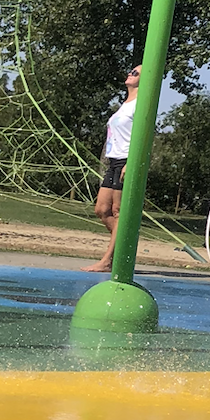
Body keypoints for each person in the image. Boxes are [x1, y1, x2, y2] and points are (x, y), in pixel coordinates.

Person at [84, 64, 140, 273]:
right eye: (130, 71)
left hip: (126, 160)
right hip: (114, 160)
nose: (130, 74)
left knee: (118, 211)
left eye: (135, 73)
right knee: (101, 209)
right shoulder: (126, 104)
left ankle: (108, 260)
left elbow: (142, 135)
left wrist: (131, 162)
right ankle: (124, 246)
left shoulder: (140, 104)